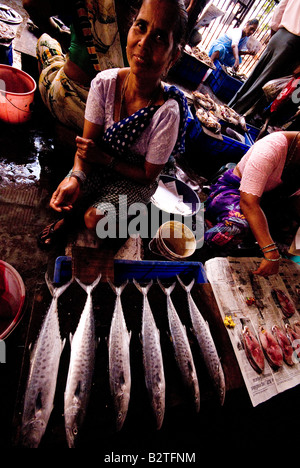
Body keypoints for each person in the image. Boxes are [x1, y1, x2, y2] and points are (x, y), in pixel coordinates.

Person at [37, 0, 189, 249]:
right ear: (130, 28)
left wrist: (106, 160)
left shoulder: (167, 113)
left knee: (94, 220)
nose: (144, 42)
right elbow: (87, 147)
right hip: (100, 162)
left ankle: (129, 219)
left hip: (135, 179)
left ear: (173, 57)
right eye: (141, 26)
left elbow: (148, 175)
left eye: (160, 37)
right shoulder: (104, 84)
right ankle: (75, 214)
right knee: (69, 196)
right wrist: (76, 176)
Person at [23, 0, 139, 131]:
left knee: (45, 41)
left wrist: (59, 35)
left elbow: (30, 4)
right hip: (120, 123)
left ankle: (45, 119)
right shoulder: (153, 9)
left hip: (73, 102)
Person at [204, 131, 300, 277]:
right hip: (236, 192)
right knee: (236, 226)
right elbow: (248, 203)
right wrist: (270, 251)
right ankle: (202, 247)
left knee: (292, 234)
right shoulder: (272, 147)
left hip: (270, 202)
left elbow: (295, 203)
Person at [229, 0, 300, 116]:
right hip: (292, 45)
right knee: (262, 87)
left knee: (253, 78)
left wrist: (274, 34)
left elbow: (280, 9)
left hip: (279, 35)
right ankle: (233, 115)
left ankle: (231, 108)